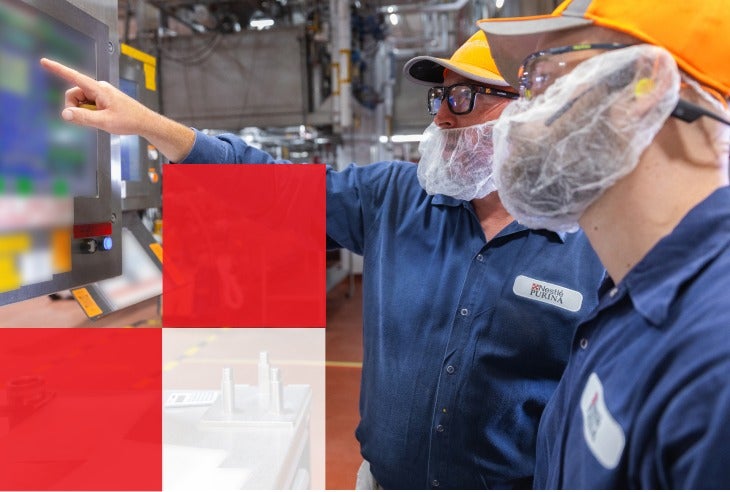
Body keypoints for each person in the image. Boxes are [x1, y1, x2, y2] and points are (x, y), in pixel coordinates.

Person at [41, 31, 606, 489]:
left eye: (463, 99)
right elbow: (270, 185)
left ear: (529, 114)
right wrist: (147, 125)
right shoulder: (395, 198)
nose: (440, 120)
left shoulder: (594, 243)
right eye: (438, 99)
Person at [477, 0, 730, 488]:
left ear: (645, 84)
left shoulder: (714, 354)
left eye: (542, 80)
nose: (518, 114)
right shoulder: (624, 297)